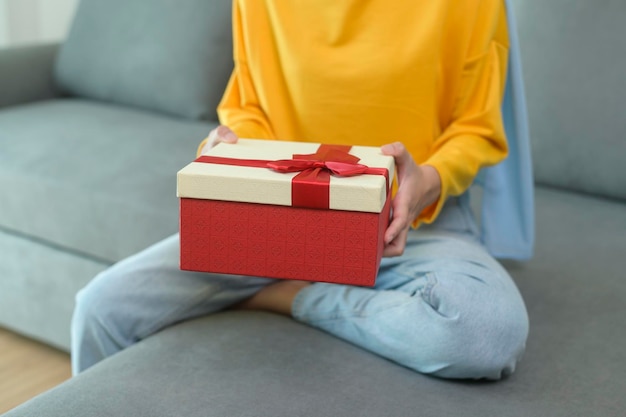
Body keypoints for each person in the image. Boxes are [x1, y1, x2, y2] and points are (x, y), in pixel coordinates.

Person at [72, 0, 529, 380]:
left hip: (410, 228)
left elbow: (475, 129)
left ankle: (285, 296)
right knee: (101, 309)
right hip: (274, 221)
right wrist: (232, 146)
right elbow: (250, 104)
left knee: (484, 330)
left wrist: (426, 182)